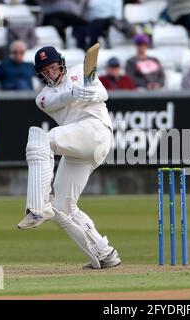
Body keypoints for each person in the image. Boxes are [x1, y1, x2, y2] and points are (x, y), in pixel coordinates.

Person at [16, 46, 121, 270]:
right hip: (79, 145)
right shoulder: (43, 97)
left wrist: (93, 92)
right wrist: (75, 92)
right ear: (40, 74)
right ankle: (105, 254)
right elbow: (59, 100)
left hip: (96, 132)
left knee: (41, 140)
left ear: (61, 64)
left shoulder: (80, 71)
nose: (52, 73)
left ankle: (37, 207)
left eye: (54, 67)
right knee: (62, 207)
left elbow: (103, 93)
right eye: (46, 70)